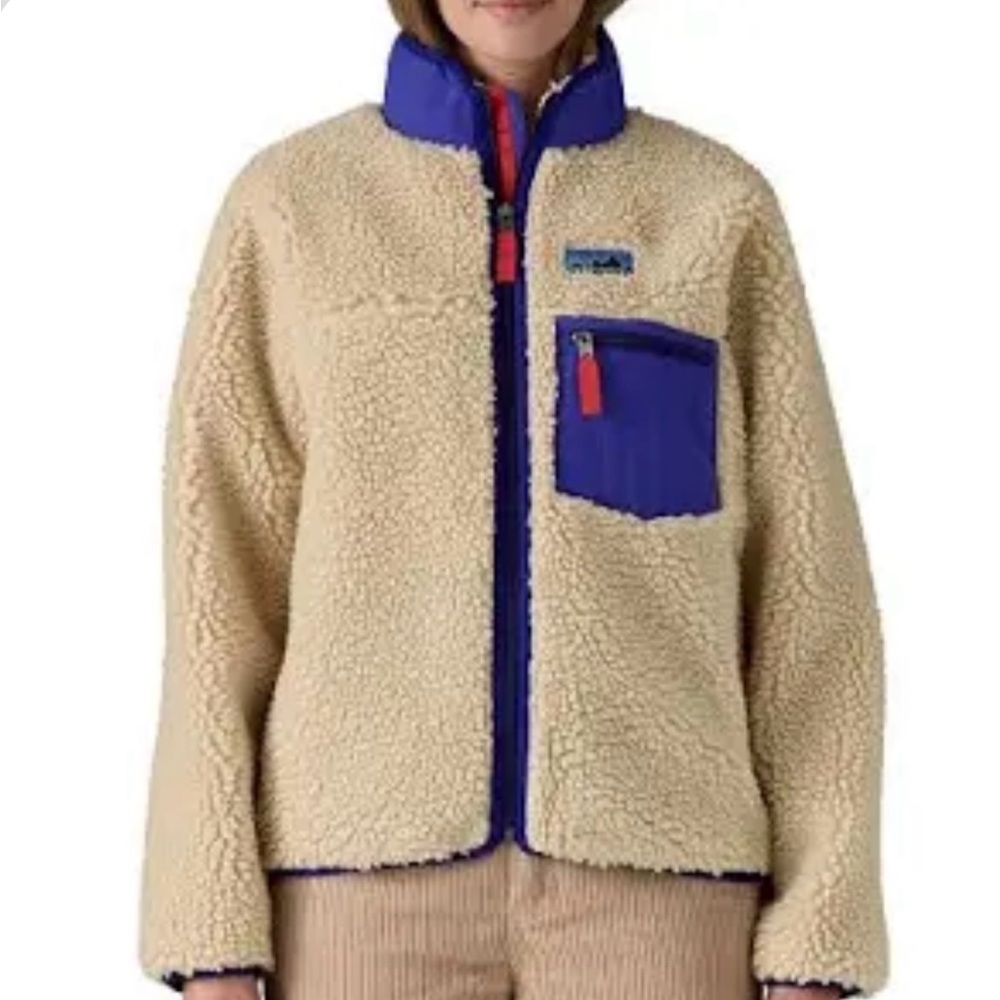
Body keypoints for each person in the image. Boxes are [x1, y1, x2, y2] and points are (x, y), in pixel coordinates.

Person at [137, 2, 890, 999]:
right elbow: (214, 591)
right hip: (355, 893)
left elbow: (810, 594)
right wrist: (211, 935)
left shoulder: (715, 210)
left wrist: (817, 932)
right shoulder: (291, 209)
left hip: (662, 895)